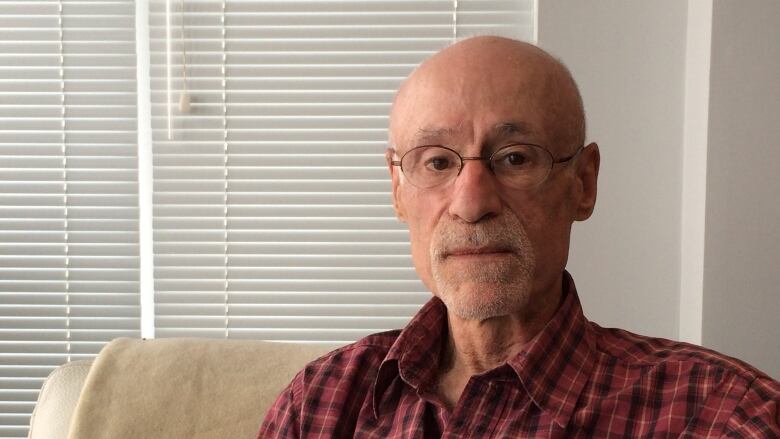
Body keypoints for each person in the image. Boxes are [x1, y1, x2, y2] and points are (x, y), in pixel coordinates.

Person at [259, 36, 779, 438]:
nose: (471, 202)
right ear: (397, 190)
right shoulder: (319, 405)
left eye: (514, 158)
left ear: (584, 183)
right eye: (437, 161)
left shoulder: (724, 415)